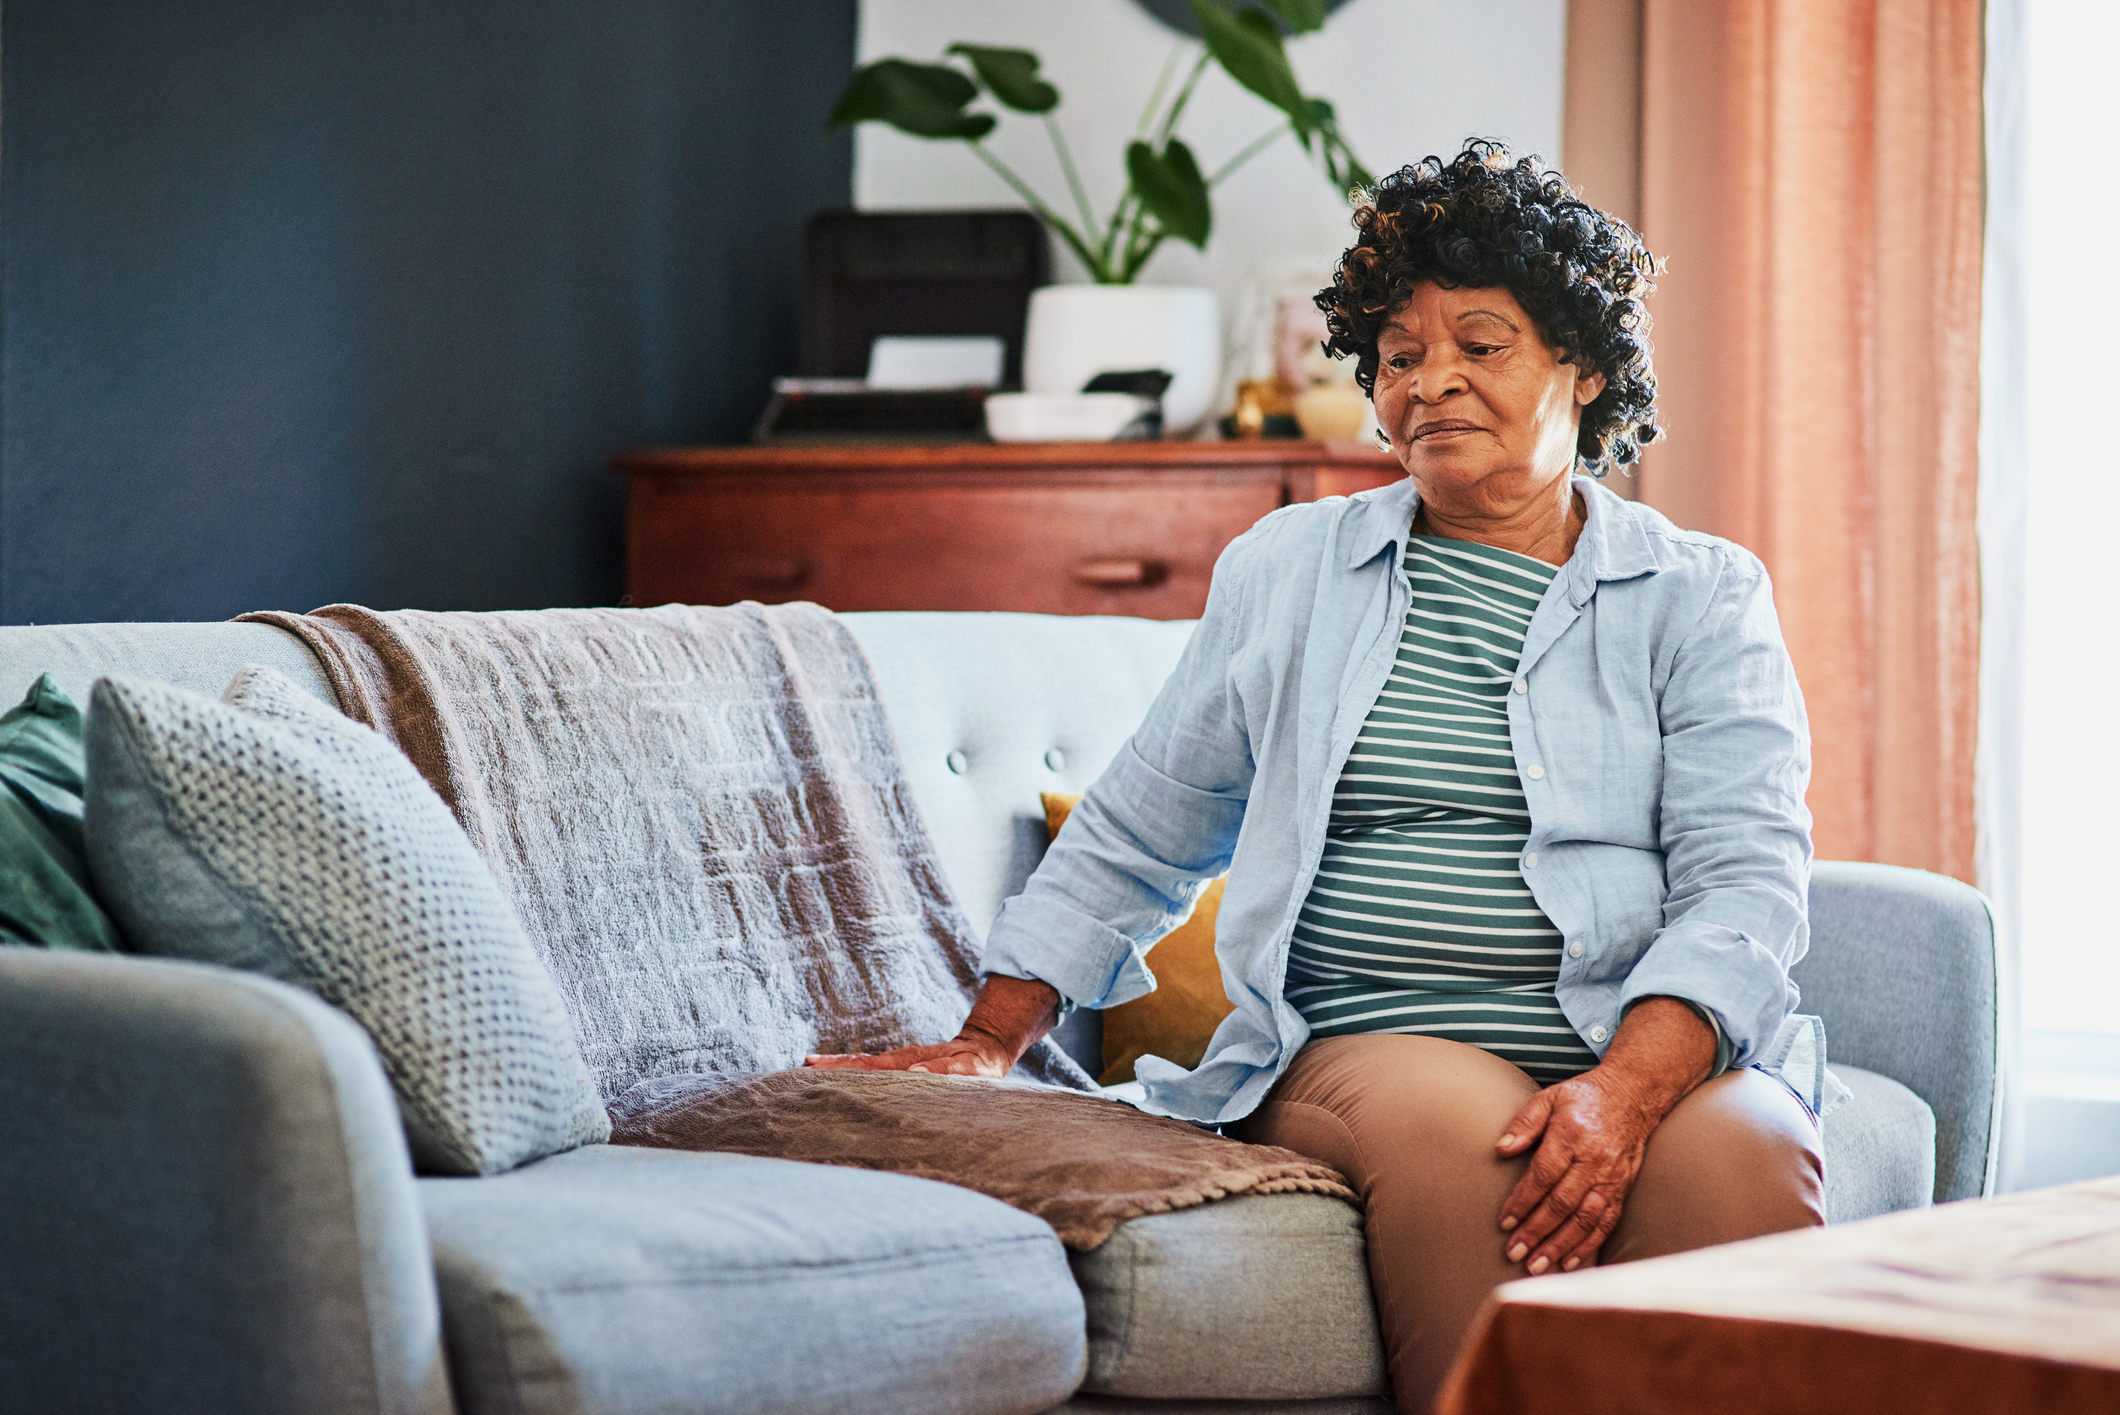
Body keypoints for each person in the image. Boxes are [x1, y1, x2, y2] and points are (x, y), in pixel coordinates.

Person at [809, 139, 1828, 1412]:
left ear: (1581, 363)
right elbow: (1144, 822)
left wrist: (1624, 1092)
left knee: (1746, 1153)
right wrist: (988, 1038)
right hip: (1371, 1037)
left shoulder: (1696, 592)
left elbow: (1745, 878)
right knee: (1463, 1143)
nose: (1432, 380)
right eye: (1399, 355)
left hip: (1626, 1030)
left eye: (1480, 341)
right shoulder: (1289, 568)